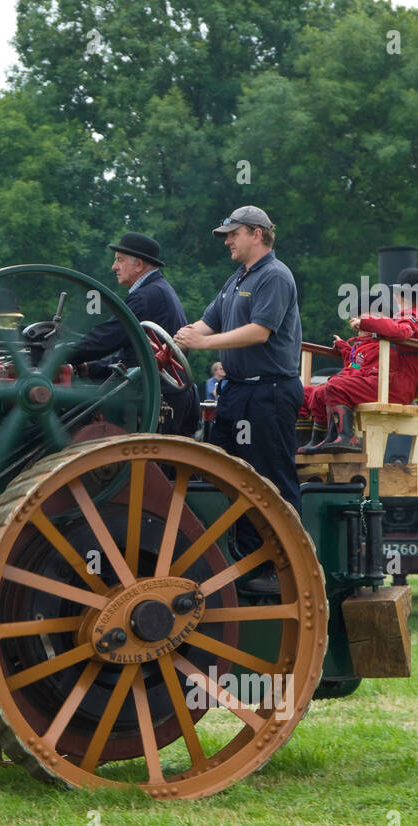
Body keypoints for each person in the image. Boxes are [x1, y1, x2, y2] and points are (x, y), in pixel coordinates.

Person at [173, 205, 302, 593]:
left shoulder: (275, 277)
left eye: (232, 234)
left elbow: (259, 331)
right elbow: (204, 323)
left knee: (271, 479)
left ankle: (285, 569)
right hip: (238, 393)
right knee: (228, 477)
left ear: (257, 234)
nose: (227, 240)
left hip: (269, 392)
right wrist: (171, 339)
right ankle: (247, 561)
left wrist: (205, 343)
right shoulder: (235, 280)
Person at [69, 231, 198, 436]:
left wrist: (63, 354)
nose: (114, 267)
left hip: (158, 397)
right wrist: (90, 368)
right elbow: (131, 357)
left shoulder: (146, 296)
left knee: (154, 467)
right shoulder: (157, 290)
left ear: (138, 265)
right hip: (172, 394)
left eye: (119, 260)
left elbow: (108, 338)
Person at [300, 267, 418, 453]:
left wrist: (366, 322)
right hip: (389, 382)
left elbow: (399, 333)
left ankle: (345, 437)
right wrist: (346, 349)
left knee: (334, 387)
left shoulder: (412, 317)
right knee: (321, 390)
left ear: (398, 295)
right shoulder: (412, 318)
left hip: (393, 386)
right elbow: (358, 364)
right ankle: (326, 437)